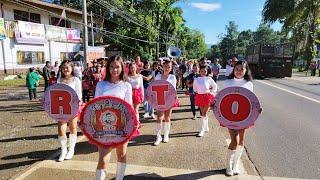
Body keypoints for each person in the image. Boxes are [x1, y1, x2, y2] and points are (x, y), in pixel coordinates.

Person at [94, 55, 136, 180]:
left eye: (117, 67)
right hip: (103, 126)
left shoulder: (126, 85)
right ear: (108, 68)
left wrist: (134, 122)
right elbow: (94, 106)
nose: (114, 70)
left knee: (121, 154)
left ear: (122, 68)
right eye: (111, 66)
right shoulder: (101, 85)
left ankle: (119, 178)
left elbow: (129, 107)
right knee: (103, 159)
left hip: (122, 126)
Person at [223, 60, 262, 176]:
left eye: (241, 69)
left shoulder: (249, 84)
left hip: (244, 117)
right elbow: (222, 99)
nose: (239, 71)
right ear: (233, 70)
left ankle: (235, 165)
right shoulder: (227, 82)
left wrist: (257, 109)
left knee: (241, 141)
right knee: (234, 140)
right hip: (230, 116)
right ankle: (228, 165)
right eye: (237, 69)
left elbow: (251, 100)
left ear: (245, 71)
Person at [56, 60, 82, 162]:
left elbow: (79, 94)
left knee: (72, 128)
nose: (65, 69)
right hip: (61, 108)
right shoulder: (59, 79)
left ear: (72, 68)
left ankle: (71, 149)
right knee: (61, 129)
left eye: (67, 67)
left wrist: (77, 101)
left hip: (73, 107)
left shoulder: (76, 80)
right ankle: (63, 150)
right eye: (63, 67)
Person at [153, 59, 177, 146]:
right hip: (160, 99)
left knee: (167, 117)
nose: (167, 68)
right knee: (159, 118)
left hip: (169, 99)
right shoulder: (158, 76)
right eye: (165, 66)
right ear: (162, 67)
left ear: (171, 68)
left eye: (169, 67)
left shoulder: (172, 77)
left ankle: (166, 135)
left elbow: (173, 89)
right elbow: (154, 87)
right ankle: (158, 137)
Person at [193, 65, 217, 137]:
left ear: (207, 72)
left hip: (207, 97)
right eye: (202, 71)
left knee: (203, 113)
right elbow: (195, 89)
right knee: (203, 113)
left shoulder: (209, 78)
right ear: (199, 71)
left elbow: (215, 86)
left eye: (205, 71)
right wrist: (199, 92)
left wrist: (212, 93)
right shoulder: (196, 79)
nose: (203, 72)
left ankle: (202, 130)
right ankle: (206, 127)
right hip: (200, 97)